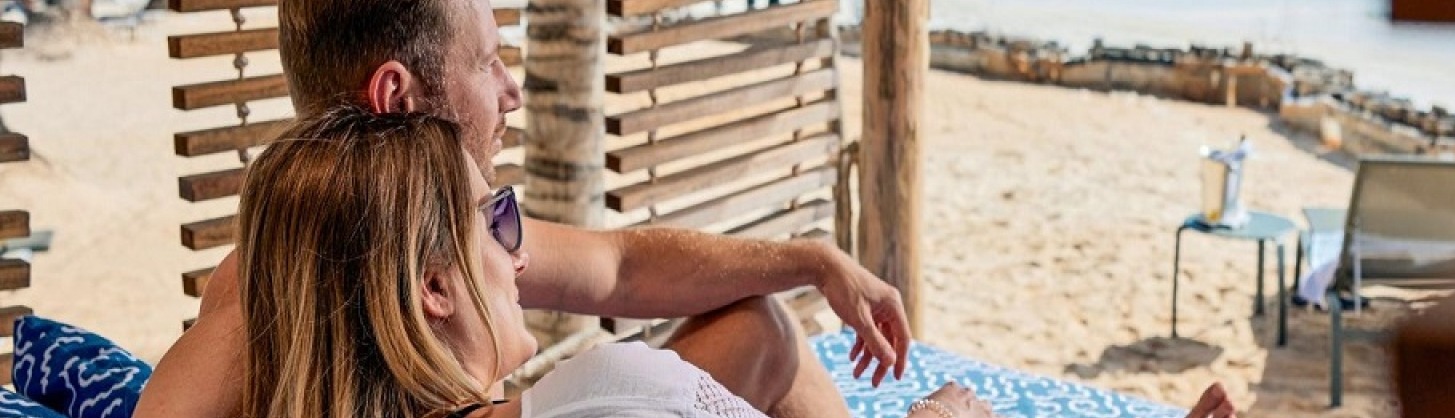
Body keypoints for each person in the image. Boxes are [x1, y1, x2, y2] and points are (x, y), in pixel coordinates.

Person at [138, 0, 911, 416]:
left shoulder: (424, 237)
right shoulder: (267, 304)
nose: (511, 91)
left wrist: (812, 262)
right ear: (395, 96)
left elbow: (620, 266)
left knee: (763, 325)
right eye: (487, 61)